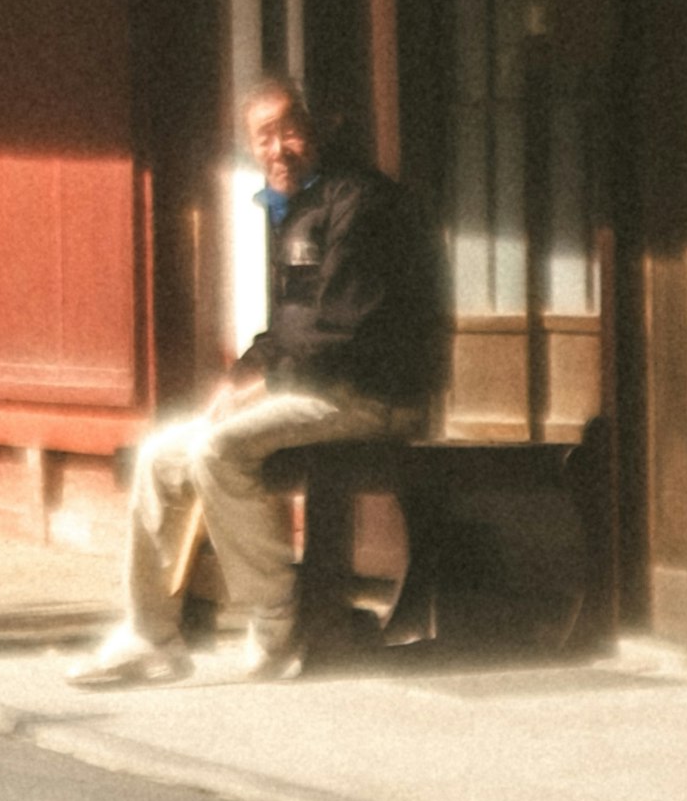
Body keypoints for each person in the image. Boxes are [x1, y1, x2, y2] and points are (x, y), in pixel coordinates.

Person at [65, 80, 446, 687]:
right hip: (313, 391)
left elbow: (342, 335)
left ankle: (278, 621)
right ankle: (151, 635)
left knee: (222, 448)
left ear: (320, 129)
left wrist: (260, 388)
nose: (279, 148)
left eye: (289, 129)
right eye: (263, 136)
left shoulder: (363, 205)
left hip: (373, 397)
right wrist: (240, 377)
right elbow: (288, 329)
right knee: (164, 455)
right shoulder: (297, 210)